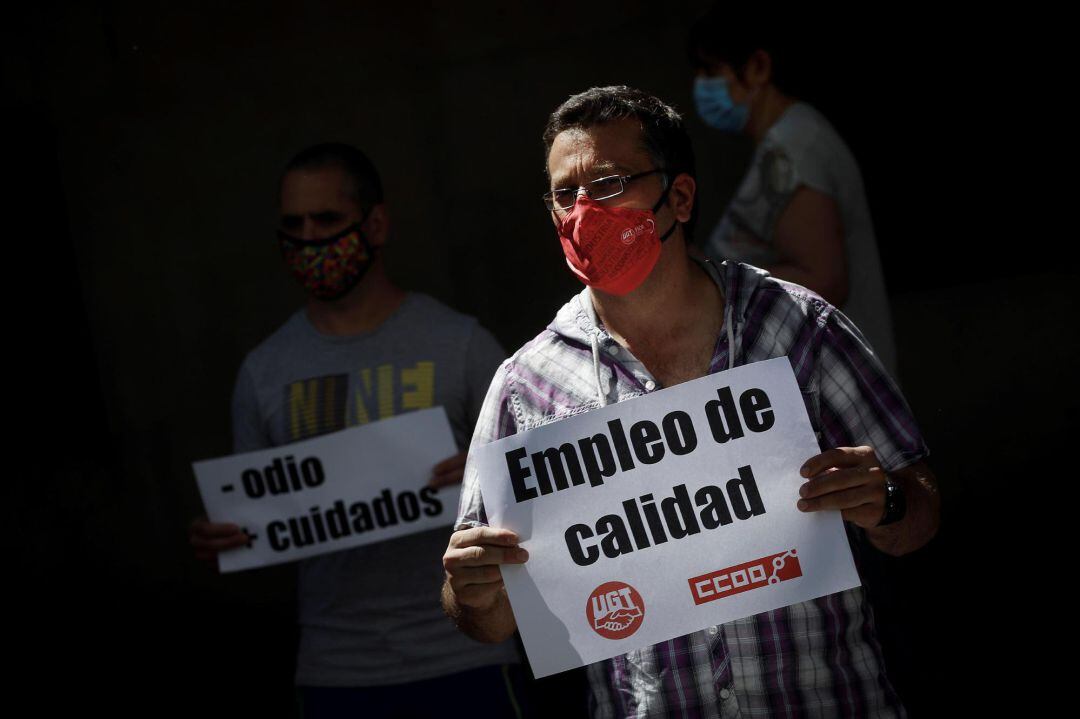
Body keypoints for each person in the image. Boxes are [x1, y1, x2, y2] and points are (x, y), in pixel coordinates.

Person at [441, 87, 939, 717]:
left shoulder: (799, 328)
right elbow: (486, 620)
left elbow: (920, 514)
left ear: (678, 197)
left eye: (609, 183)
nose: (583, 211)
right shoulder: (526, 386)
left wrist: (889, 500)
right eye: (565, 195)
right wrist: (475, 593)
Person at [189, 143, 524, 717]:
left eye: (326, 219)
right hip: (335, 671)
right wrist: (230, 540)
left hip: (467, 656)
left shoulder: (460, 345)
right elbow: (259, 522)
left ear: (375, 224)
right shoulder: (263, 372)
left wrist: (494, 478)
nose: (308, 238)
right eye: (292, 224)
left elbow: (549, 487)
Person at [688, 12, 898, 375]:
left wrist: (712, 279)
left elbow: (825, 278)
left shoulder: (794, 144)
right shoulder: (785, 142)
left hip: (837, 382)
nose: (701, 86)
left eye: (711, 72)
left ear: (757, 67)